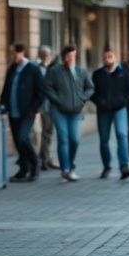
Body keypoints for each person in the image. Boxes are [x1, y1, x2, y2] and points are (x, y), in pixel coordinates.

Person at [42, 44, 94, 181]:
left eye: (74, 56)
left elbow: (90, 87)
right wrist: (57, 99)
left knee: (75, 140)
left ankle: (70, 165)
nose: (73, 58)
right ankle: (65, 169)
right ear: (64, 57)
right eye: (70, 56)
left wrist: (82, 99)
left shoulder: (81, 71)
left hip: (75, 111)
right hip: (59, 110)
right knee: (63, 139)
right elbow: (46, 87)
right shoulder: (54, 71)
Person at [0, 42, 45, 182]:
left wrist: (33, 108)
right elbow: (6, 87)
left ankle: (35, 163)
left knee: (23, 137)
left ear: (21, 53)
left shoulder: (33, 69)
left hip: (27, 112)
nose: (12, 56)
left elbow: (41, 91)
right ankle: (24, 169)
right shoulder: (12, 68)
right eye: (11, 53)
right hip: (13, 111)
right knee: (17, 142)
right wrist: (2, 104)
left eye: (14, 53)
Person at [91, 47, 129, 179]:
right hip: (103, 110)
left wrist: (124, 101)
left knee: (122, 134)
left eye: (110, 56)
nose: (107, 59)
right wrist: (100, 102)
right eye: (105, 57)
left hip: (120, 108)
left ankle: (124, 165)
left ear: (114, 56)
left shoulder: (124, 72)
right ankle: (106, 166)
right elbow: (91, 92)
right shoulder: (97, 75)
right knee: (104, 139)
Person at [35, 45, 60, 171]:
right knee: (38, 133)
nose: (47, 57)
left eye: (48, 55)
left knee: (48, 132)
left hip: (51, 105)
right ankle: (41, 159)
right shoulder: (36, 68)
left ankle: (45, 158)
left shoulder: (54, 68)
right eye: (45, 54)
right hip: (39, 105)